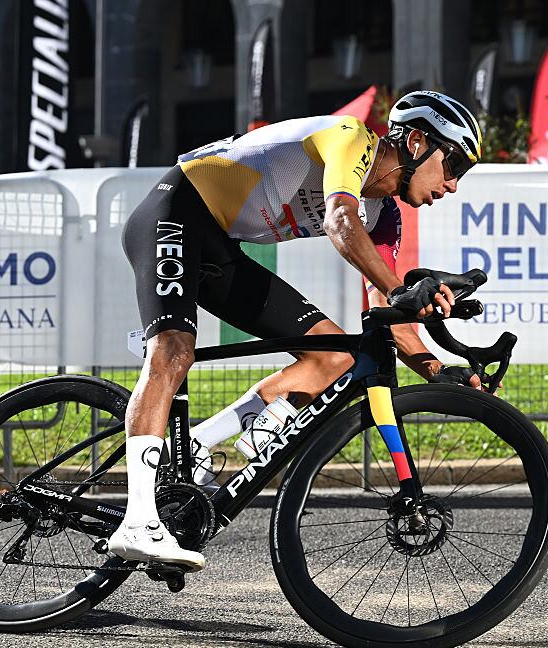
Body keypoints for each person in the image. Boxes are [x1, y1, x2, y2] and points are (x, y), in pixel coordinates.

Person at [109, 91, 483, 571]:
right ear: (415, 142)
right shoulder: (351, 139)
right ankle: (137, 520)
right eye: (453, 165)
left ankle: (202, 441)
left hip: (220, 246)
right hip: (174, 212)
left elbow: (392, 320)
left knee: (335, 357)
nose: (452, 185)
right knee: (174, 351)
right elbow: (340, 220)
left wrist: (438, 371)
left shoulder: (386, 215)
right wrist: (398, 289)